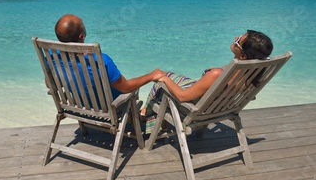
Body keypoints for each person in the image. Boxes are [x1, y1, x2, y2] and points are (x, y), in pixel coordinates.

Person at [141, 29, 273, 118]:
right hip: (216, 107)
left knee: (160, 81)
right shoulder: (250, 75)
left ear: (243, 56)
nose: (235, 38)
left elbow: (182, 97)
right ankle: (145, 112)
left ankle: (145, 115)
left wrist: (162, 78)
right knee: (168, 75)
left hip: (195, 109)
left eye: (238, 41)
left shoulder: (217, 75)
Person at [54, 14, 165, 99]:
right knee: (133, 90)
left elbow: (50, 84)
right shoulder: (100, 61)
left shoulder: (53, 57)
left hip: (80, 107)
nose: (82, 21)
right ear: (81, 36)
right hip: (108, 108)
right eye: (82, 22)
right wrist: (151, 76)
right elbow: (126, 87)